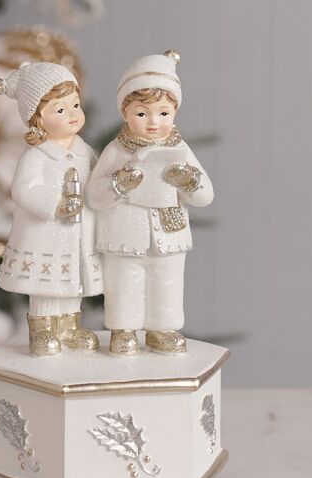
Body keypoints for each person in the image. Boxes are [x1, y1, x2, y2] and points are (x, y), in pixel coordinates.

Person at [87, 51, 214, 356]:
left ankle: (162, 330)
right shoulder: (117, 150)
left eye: (164, 113)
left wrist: (188, 181)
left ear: (175, 112)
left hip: (168, 234)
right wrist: (119, 183)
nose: (154, 122)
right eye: (142, 114)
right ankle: (124, 330)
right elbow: (94, 195)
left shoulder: (180, 149)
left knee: (166, 281)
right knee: (124, 281)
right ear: (125, 113)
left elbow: (206, 195)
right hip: (124, 233)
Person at [0, 62, 102, 356]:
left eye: (75, 105)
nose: (73, 114)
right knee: (46, 284)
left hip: (79, 233)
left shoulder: (84, 151)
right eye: (60, 110)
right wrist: (55, 205)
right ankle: (42, 329)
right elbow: (23, 190)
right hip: (46, 234)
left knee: (73, 281)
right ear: (38, 119)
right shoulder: (36, 156)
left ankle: (69, 327)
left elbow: (97, 180)